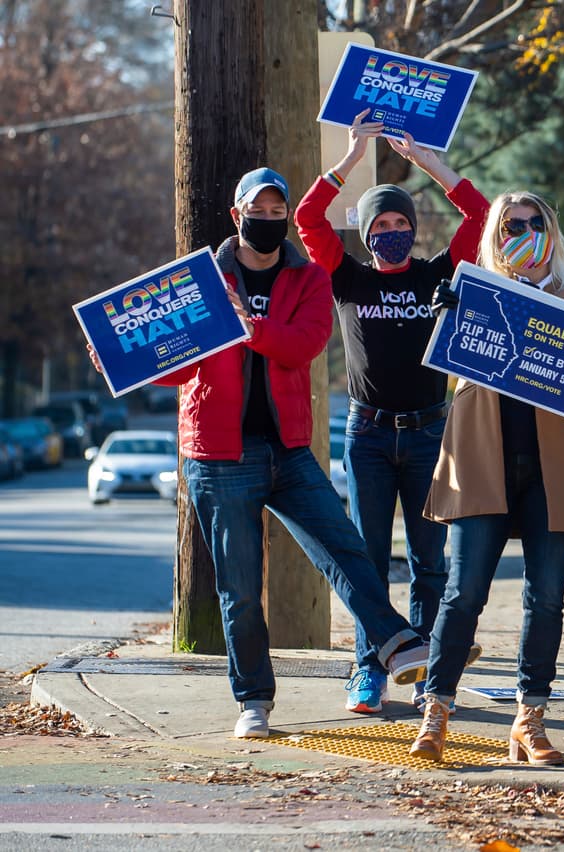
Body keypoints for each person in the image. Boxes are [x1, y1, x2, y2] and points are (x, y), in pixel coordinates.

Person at [91, 167, 432, 739]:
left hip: (289, 451)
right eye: (260, 211)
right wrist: (122, 359)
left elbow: (302, 348)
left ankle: (396, 642)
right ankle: (253, 701)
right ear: (237, 215)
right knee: (240, 589)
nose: (269, 221)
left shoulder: (308, 279)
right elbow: (176, 364)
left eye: (279, 213)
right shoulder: (201, 280)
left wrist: (249, 326)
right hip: (220, 457)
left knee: (342, 549)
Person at [295, 110, 489, 715]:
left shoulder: (437, 276)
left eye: (402, 221)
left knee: (430, 561)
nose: (393, 231)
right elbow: (306, 220)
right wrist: (354, 157)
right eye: (381, 223)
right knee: (367, 560)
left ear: (414, 228)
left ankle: (431, 666)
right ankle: (368, 670)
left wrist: (429, 164)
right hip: (369, 437)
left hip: (431, 430)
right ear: (366, 231)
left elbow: (482, 219)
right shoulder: (348, 278)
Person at [409, 192, 564, 764]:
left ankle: (530, 718)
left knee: (546, 598)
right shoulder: (470, 293)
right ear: (494, 238)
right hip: (482, 462)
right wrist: (449, 310)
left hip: (554, 468)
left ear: (552, 231)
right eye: (509, 225)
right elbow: (448, 357)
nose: (521, 232)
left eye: (534, 222)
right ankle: (436, 713)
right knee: (462, 593)